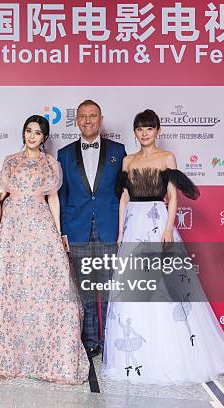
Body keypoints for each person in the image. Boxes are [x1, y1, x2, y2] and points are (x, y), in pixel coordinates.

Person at [103, 109, 224, 384]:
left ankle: (174, 353)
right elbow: (124, 199)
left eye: (149, 128)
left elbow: (173, 197)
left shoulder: (167, 158)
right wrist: (121, 232)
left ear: (158, 131)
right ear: (135, 132)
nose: (144, 133)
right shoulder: (128, 161)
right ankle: (140, 355)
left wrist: (167, 228)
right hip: (133, 226)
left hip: (158, 225)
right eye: (140, 129)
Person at [0, 115, 89, 385]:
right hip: (13, 226)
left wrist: (59, 232)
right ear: (23, 133)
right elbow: (0, 195)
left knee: (47, 285)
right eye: (29, 131)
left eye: (38, 132)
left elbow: (53, 200)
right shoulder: (11, 161)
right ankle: (2, 357)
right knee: (12, 285)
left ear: (45, 137)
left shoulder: (51, 164)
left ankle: (49, 357)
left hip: (39, 225)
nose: (32, 136)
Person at [57, 100, 127, 357]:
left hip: (108, 228)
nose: (88, 120)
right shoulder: (64, 154)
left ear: (101, 119)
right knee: (85, 290)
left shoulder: (118, 151)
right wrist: (63, 230)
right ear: (76, 121)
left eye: (93, 116)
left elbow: (124, 193)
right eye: (83, 116)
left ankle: (110, 340)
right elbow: (62, 196)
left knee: (110, 289)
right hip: (77, 230)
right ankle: (89, 342)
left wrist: (124, 228)